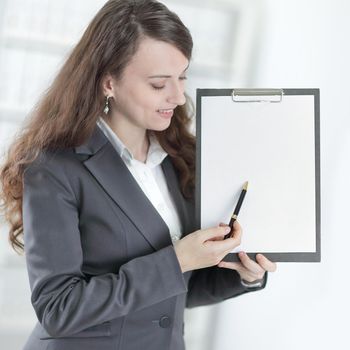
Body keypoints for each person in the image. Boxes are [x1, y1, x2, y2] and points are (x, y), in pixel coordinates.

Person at [0, 1, 276, 349]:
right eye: (159, 84)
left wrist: (246, 276)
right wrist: (177, 260)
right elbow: (58, 309)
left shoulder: (179, 158)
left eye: (182, 78)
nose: (177, 97)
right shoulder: (54, 168)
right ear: (109, 83)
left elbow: (174, 293)